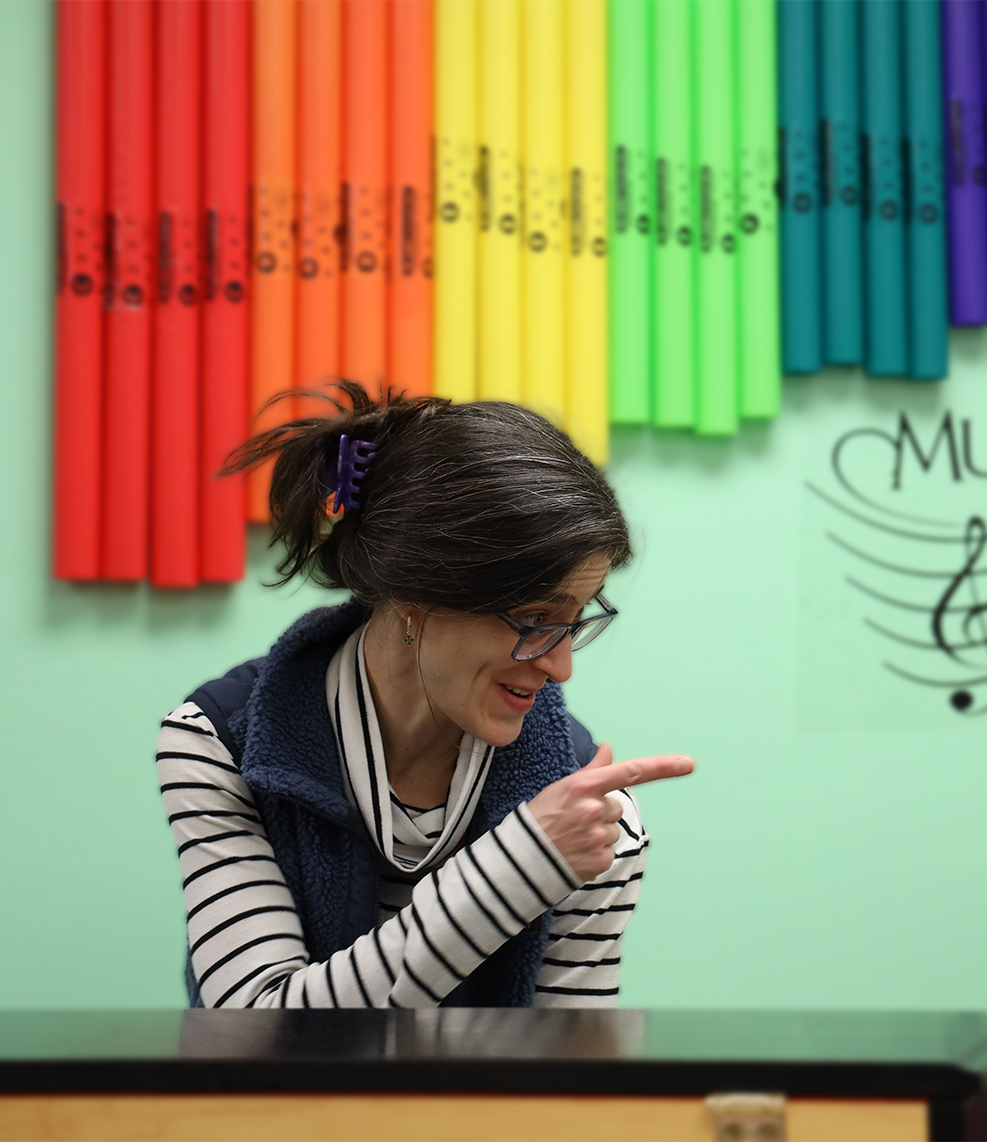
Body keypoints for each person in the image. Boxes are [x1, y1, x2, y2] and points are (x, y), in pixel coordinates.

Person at [156, 383, 693, 1008]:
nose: (560, 665)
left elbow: (559, 1096)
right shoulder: (219, 741)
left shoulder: (591, 819)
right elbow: (251, 1034)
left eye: (575, 620)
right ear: (413, 597)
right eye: (533, 617)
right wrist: (517, 870)